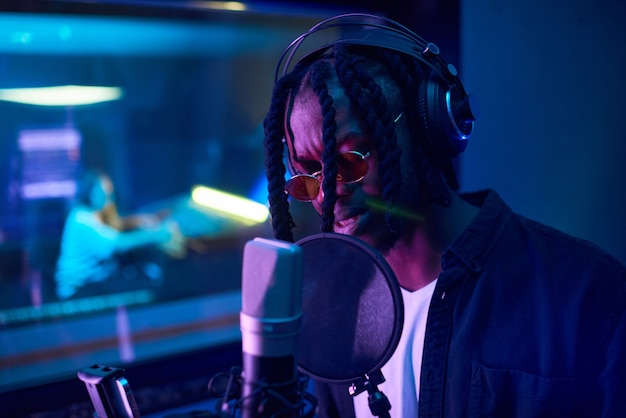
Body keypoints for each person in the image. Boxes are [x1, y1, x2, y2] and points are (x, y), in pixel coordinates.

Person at [261, 13, 626, 418]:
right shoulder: (334, 310)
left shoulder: (588, 295)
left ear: (426, 128)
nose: (328, 193)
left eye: (350, 158)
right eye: (309, 174)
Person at [55, 168, 185, 300]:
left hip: (93, 285)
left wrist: (138, 221)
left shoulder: (92, 215)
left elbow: (118, 225)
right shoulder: (81, 218)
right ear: (90, 192)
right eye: (104, 192)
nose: (108, 196)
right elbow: (118, 243)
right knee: (142, 285)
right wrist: (156, 234)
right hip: (78, 291)